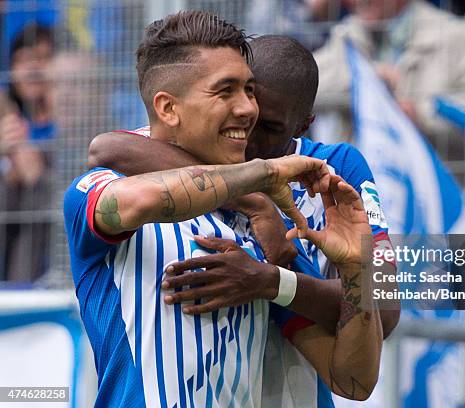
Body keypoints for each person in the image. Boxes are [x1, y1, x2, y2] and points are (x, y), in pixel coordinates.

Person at [66, 11, 383, 407]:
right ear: (168, 108)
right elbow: (132, 188)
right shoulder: (101, 185)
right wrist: (261, 178)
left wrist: (357, 269)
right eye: (226, 91)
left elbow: (354, 379)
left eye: (249, 90)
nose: (248, 108)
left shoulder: (271, 230)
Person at [312, 0, 465, 166]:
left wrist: (421, 115)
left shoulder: (456, 35)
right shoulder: (347, 34)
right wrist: (364, 78)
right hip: (365, 192)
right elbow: (307, 86)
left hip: (440, 195)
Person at [0, 23, 55, 281]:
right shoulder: (8, 124)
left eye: (42, 59)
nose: (32, 69)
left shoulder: (71, 126)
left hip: (52, 251)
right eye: (22, 60)